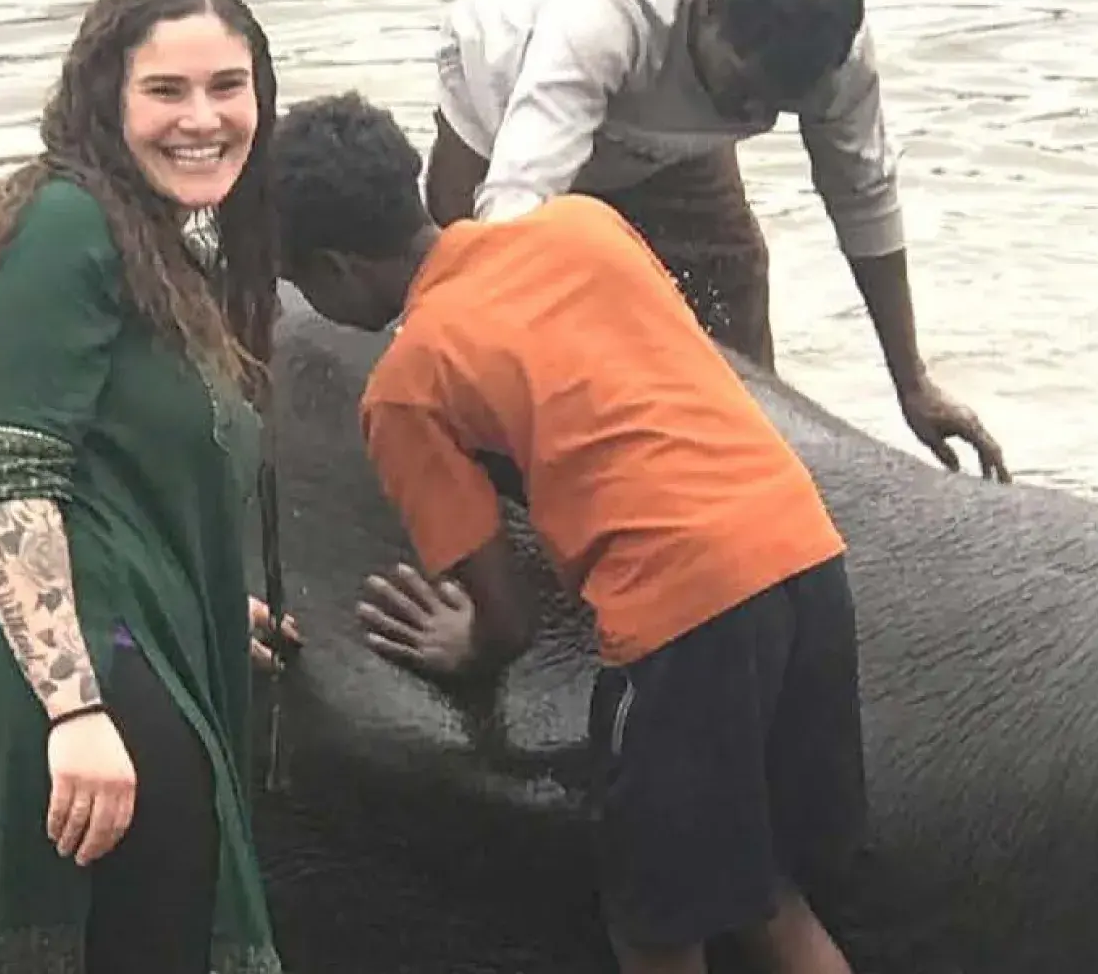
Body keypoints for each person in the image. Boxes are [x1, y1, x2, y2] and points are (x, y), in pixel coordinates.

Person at [268, 90, 865, 974]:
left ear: (335, 271)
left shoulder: (408, 383)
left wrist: (465, 642)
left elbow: (507, 619)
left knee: (654, 923)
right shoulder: (583, 226)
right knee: (763, 886)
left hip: (684, 617)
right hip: (807, 559)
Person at [0, 0, 297, 974]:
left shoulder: (154, 246)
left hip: (129, 643)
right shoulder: (60, 226)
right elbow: (10, 486)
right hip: (71, 688)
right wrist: (75, 711)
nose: (202, 118)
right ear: (105, 98)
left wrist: (199, 597)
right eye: (165, 90)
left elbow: (117, 471)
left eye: (227, 86)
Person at [423, 0, 1010, 482]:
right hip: (500, 104)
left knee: (733, 280)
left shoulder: (834, 56)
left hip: (669, 138)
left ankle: (748, 464)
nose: (756, 114)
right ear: (709, 9)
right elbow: (515, 211)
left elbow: (863, 197)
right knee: (471, 309)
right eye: (748, 89)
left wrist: (912, 384)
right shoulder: (601, 20)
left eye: (781, 106)